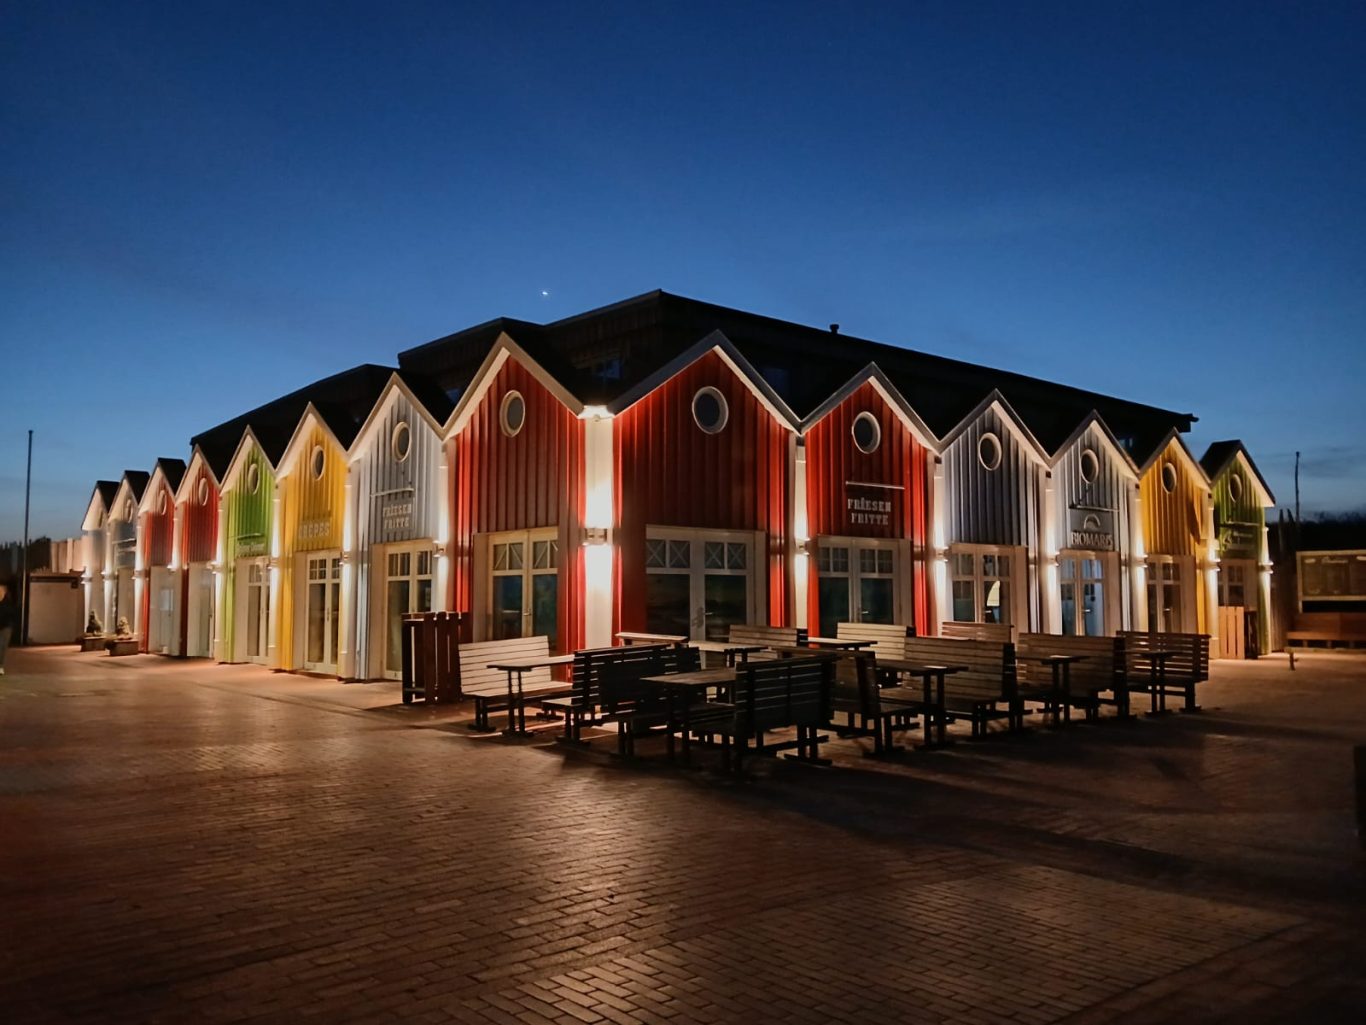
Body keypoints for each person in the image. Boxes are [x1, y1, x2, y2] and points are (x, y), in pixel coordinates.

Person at [0, 581, 15, 675]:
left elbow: (10, 614)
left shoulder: (7, 602)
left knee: (2, 646)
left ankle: (0, 666)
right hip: (5, 625)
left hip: (6, 626)